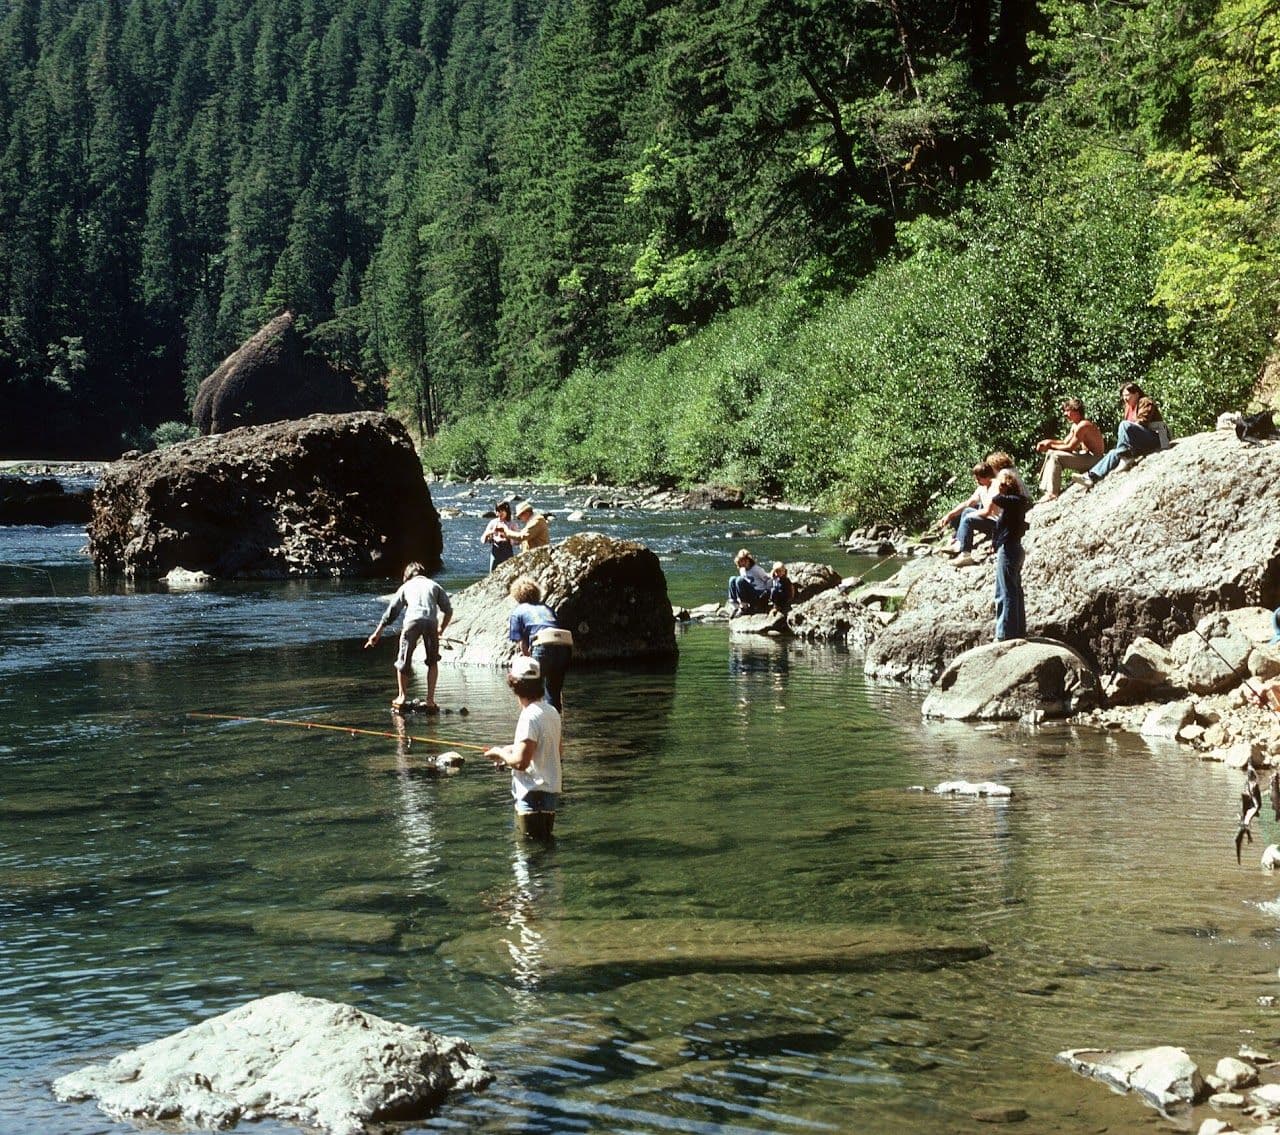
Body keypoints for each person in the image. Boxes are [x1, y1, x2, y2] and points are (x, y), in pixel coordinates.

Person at [486, 655, 563, 841]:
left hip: (531, 798)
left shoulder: (528, 716)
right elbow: (556, 750)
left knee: (528, 853)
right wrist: (511, 749)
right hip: (550, 798)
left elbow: (521, 763)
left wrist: (500, 753)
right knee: (545, 849)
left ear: (514, 685)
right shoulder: (552, 712)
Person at [364, 561, 452, 711]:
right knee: (432, 662)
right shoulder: (435, 585)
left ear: (407, 576)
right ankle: (430, 700)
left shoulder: (406, 587)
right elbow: (448, 610)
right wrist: (441, 629)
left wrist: (377, 632)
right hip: (431, 622)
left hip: (412, 622)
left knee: (403, 660)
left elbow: (392, 612)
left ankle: (402, 697)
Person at [1072, 383, 1168, 490]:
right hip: (1141, 441)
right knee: (1113, 452)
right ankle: (1092, 476)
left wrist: (1127, 432)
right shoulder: (1128, 408)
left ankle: (1126, 457)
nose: (1125, 398)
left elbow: (1143, 421)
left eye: (1127, 395)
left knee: (1124, 425)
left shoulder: (1145, 402)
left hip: (1157, 437)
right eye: (1123, 396)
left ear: (1136, 394)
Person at [975, 468, 1030, 641]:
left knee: (1005, 592)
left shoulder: (1014, 501)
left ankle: (1005, 634)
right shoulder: (1018, 502)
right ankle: (1018, 630)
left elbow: (997, 499)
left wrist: (999, 488)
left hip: (1009, 549)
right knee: (1014, 590)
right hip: (1014, 548)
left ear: (1006, 485)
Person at [508, 575, 573, 713]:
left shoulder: (518, 612)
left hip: (543, 644)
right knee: (554, 692)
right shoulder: (547, 608)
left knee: (530, 690)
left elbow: (522, 644)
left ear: (517, 595)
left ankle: (532, 721)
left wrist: (528, 662)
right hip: (564, 644)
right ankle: (555, 722)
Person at [1035, 398, 1105, 500]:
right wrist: (1049, 442)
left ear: (1076, 411)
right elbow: (1065, 442)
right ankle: (1045, 489)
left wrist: (1050, 445)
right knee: (1051, 452)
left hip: (1096, 459)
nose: (1065, 414)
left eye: (1068, 410)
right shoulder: (1075, 425)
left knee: (1056, 456)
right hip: (1087, 456)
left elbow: (1070, 447)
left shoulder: (1083, 425)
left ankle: (1053, 493)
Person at [938, 462, 997, 567]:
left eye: (979, 479)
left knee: (968, 519)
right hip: (989, 519)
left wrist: (970, 515)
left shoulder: (996, 487)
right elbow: (968, 503)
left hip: (997, 523)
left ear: (987, 476)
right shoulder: (982, 488)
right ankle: (959, 543)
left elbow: (988, 511)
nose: (977, 481)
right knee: (965, 511)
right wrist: (950, 515)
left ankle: (966, 555)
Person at [728, 548, 771, 615]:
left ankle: (744, 606)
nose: (741, 564)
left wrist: (768, 594)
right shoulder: (742, 570)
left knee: (740, 580)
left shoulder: (757, 569)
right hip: (748, 593)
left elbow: (768, 580)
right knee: (732, 579)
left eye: (743, 561)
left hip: (758, 594)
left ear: (748, 560)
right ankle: (734, 605)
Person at [481, 500, 516, 572]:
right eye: (498, 511)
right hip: (496, 549)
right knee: (493, 572)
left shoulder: (512, 524)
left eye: (502, 511)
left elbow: (517, 540)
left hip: (507, 550)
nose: (500, 513)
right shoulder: (493, 522)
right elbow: (483, 539)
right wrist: (490, 533)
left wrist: (507, 536)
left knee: (508, 571)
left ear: (507, 511)